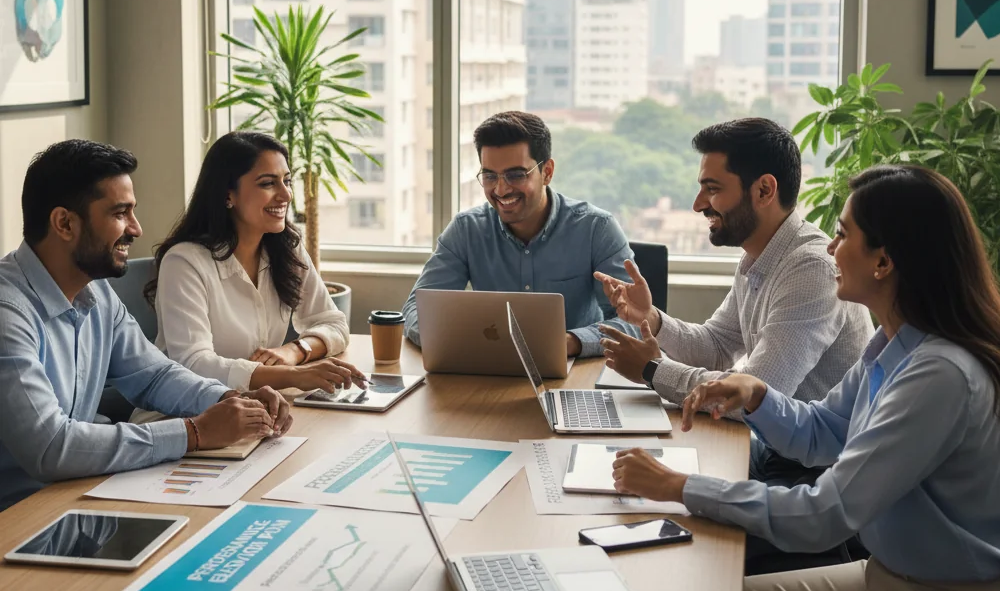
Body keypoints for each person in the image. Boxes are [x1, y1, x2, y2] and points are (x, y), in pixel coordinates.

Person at [611, 165, 1000, 591]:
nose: (831, 247)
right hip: (892, 581)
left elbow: (824, 514)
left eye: (844, 233)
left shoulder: (939, 375)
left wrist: (679, 487)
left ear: (884, 261)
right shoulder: (893, 346)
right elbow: (823, 431)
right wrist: (758, 397)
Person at [0, 140, 291, 513]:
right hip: (17, 512)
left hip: (75, 494)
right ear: (65, 223)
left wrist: (229, 399)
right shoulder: (8, 313)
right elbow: (50, 448)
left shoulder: (96, 293)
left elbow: (154, 377)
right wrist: (194, 433)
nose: (136, 229)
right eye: (120, 213)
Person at [597, 117, 873, 487]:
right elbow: (716, 346)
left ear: (764, 190)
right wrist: (652, 317)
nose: (698, 204)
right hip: (776, 453)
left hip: (812, 475)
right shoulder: (760, 256)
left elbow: (752, 397)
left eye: (712, 189)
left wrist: (652, 370)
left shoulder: (811, 270)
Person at [402, 110, 638, 357]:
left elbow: (634, 322)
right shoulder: (466, 230)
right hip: (488, 367)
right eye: (490, 176)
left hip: (576, 370)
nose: (501, 189)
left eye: (515, 175)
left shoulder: (596, 228)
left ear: (547, 172)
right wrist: (463, 342)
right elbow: (416, 309)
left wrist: (568, 343)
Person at [147, 131, 363, 393]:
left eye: (287, 181)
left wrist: (295, 351)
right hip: (189, 409)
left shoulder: (287, 249)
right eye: (268, 183)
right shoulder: (184, 263)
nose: (286, 195)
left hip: (262, 405)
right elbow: (194, 364)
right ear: (228, 195)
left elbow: (334, 324)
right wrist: (292, 376)